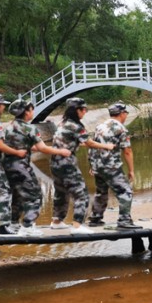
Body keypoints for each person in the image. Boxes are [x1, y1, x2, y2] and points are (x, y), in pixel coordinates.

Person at [3, 99, 71, 237]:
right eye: (31, 109)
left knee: (17, 195)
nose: (32, 112)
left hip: (8, 167)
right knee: (35, 195)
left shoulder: (9, 127)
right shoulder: (30, 128)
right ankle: (27, 226)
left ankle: (14, 224)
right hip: (22, 167)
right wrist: (61, 151)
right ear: (25, 112)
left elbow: (24, 146)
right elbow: (42, 148)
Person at [50, 97, 114, 235]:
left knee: (61, 192)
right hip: (67, 163)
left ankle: (56, 221)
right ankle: (77, 225)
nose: (85, 112)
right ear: (77, 110)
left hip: (55, 162)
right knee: (81, 194)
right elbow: (90, 143)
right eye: (83, 109)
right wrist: (106, 146)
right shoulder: (76, 126)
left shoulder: (63, 123)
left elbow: (78, 141)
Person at [88, 103, 142, 229]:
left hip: (98, 165)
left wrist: (92, 165)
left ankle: (95, 219)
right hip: (111, 166)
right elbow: (127, 151)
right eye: (126, 113)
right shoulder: (121, 129)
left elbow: (92, 146)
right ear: (122, 113)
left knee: (101, 192)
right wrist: (131, 171)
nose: (126, 116)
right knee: (125, 191)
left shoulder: (99, 126)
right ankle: (124, 220)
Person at [0, 94, 28, 236]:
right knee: (2, 191)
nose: (4, 107)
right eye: (2, 104)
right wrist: (17, 152)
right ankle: (3, 227)